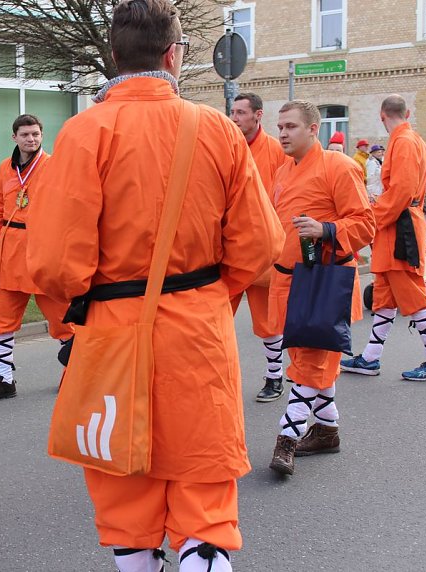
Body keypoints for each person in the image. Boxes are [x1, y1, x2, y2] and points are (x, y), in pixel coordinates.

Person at [26, 1, 284, 570]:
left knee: (126, 496)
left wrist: (69, 320)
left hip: (111, 336)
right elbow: (261, 245)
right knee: (204, 505)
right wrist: (211, 295)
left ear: (114, 55)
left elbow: (49, 263)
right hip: (199, 334)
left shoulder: (83, 132)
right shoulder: (217, 128)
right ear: (174, 55)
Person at [267, 101, 375, 476]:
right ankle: (327, 430)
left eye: (291, 126)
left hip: (324, 281)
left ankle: (288, 437)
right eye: (280, 126)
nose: (282, 133)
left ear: (314, 129)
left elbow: (365, 224)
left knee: (310, 363)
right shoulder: (283, 170)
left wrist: (326, 229)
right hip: (288, 279)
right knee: (305, 359)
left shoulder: (340, 166)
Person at [0, 114, 74, 401]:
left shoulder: (54, 166)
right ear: (14, 137)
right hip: (10, 255)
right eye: (26, 135)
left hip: (43, 253)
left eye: (36, 134)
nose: (31, 139)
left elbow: (66, 209)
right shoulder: (5, 169)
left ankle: (74, 373)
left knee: (62, 321)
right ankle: (5, 379)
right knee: (1, 321)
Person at [341, 95, 426, 382]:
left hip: (400, 228)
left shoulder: (404, 142)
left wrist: (373, 215)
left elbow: (401, 192)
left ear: (382, 116)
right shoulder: (411, 139)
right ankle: (370, 358)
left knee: (411, 293)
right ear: (406, 112)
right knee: (384, 295)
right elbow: (402, 191)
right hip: (398, 225)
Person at [230, 92, 290, 402]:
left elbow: (285, 196)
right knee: (216, 319)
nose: (235, 117)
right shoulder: (227, 145)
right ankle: (218, 379)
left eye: (241, 112)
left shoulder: (276, 151)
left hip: (263, 248)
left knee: (268, 323)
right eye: (233, 111)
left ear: (258, 115)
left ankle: (274, 376)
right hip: (228, 248)